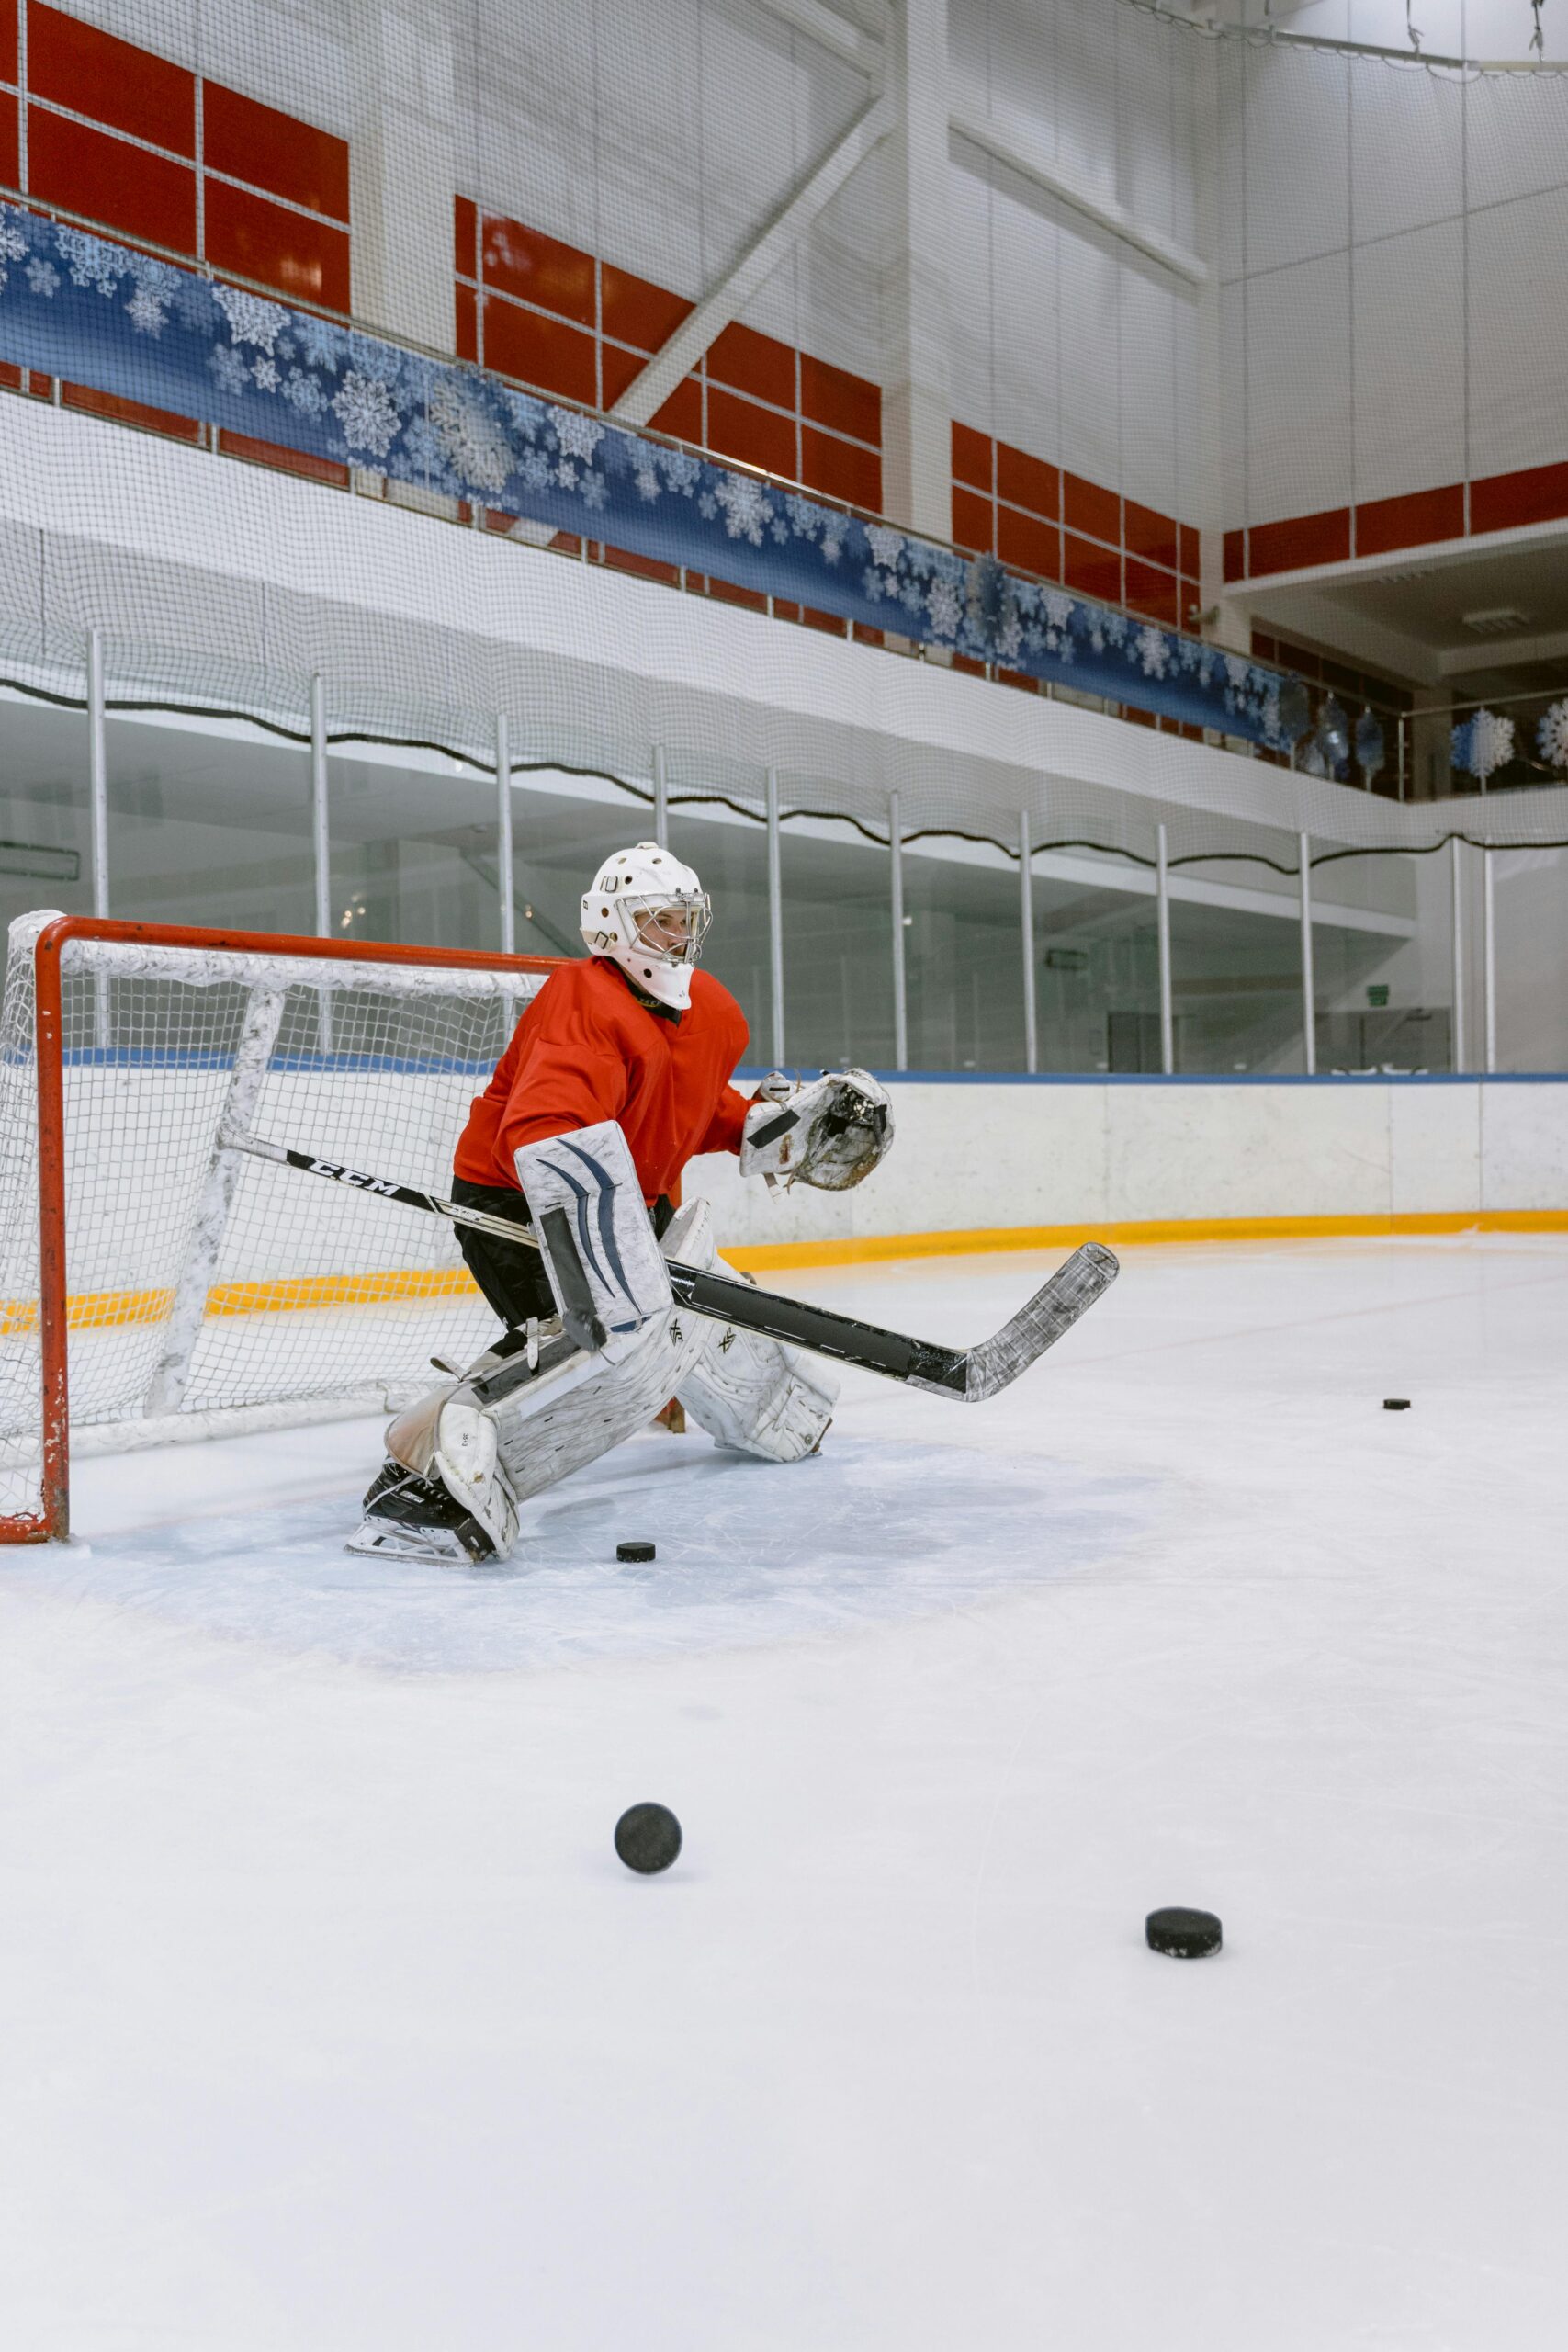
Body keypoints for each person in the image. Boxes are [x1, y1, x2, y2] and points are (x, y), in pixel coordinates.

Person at [351, 841, 893, 1564]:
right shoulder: (582, 999)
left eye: (685, 917)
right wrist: (605, 1268)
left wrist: (761, 1133)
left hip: (636, 1200)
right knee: (575, 1348)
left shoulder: (714, 1011)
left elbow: (690, 1108)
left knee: (677, 1326)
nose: (679, 934)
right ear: (611, 923)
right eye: (661, 919)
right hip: (519, 1200)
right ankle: (420, 1478)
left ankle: (768, 1408)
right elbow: (543, 1129)